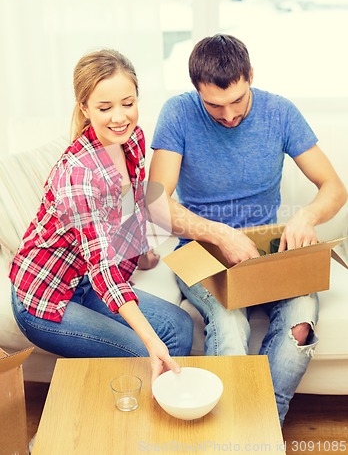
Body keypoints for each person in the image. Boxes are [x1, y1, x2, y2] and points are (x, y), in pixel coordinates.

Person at [148, 34, 347, 423]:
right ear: (196, 90)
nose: (228, 115)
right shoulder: (177, 113)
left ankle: (261, 429)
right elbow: (155, 203)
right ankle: (231, 431)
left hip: (269, 252)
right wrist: (221, 233)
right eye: (214, 105)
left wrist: (305, 217)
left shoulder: (280, 112)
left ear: (250, 75)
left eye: (237, 100)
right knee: (228, 322)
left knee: (302, 318)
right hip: (202, 253)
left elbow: (335, 188)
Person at [10, 49, 193, 382]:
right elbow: (103, 268)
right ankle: (124, 428)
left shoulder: (132, 140)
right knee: (143, 354)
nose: (120, 117)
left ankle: (160, 414)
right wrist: (150, 341)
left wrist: (140, 254)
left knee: (179, 327)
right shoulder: (78, 175)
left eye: (128, 103)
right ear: (85, 108)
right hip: (47, 296)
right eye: (105, 108)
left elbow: (131, 205)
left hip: (88, 281)